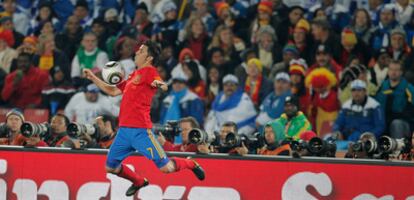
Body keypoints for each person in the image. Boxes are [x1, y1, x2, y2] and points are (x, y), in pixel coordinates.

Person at [83, 40, 205, 196]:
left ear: (149, 58)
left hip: (141, 131)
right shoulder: (133, 75)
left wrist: (160, 85)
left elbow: (161, 84)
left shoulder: (149, 72)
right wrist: (93, 77)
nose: (136, 53)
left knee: (166, 168)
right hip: (123, 132)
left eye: (141, 51)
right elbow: (113, 91)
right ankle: (139, 181)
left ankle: (190, 163)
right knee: (111, 167)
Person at [375, 60, 414, 138]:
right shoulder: (382, 86)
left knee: (396, 123)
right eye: (391, 69)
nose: (393, 72)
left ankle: (398, 148)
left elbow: (411, 111)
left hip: (403, 122)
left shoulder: (408, 88)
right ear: (388, 71)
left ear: (401, 72)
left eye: (396, 70)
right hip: (384, 120)